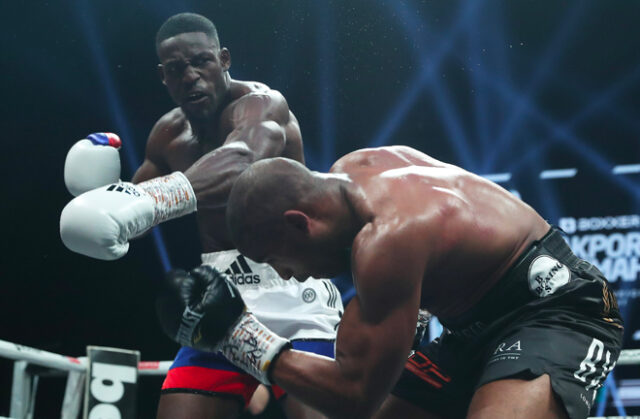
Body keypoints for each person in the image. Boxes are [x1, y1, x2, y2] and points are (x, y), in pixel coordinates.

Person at [158, 145, 623, 419]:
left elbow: (354, 394)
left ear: (301, 223)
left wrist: (236, 336)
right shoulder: (358, 169)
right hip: (470, 329)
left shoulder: (385, 240)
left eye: (276, 258)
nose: (286, 275)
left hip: (555, 312)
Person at [60, 13, 342, 419]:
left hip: (298, 295)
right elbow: (138, 219)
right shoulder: (168, 136)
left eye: (201, 62)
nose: (190, 75)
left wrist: (143, 199)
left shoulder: (263, 106)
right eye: (176, 69)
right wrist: (102, 198)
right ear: (163, 76)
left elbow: (241, 161)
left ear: (224, 59)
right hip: (219, 302)